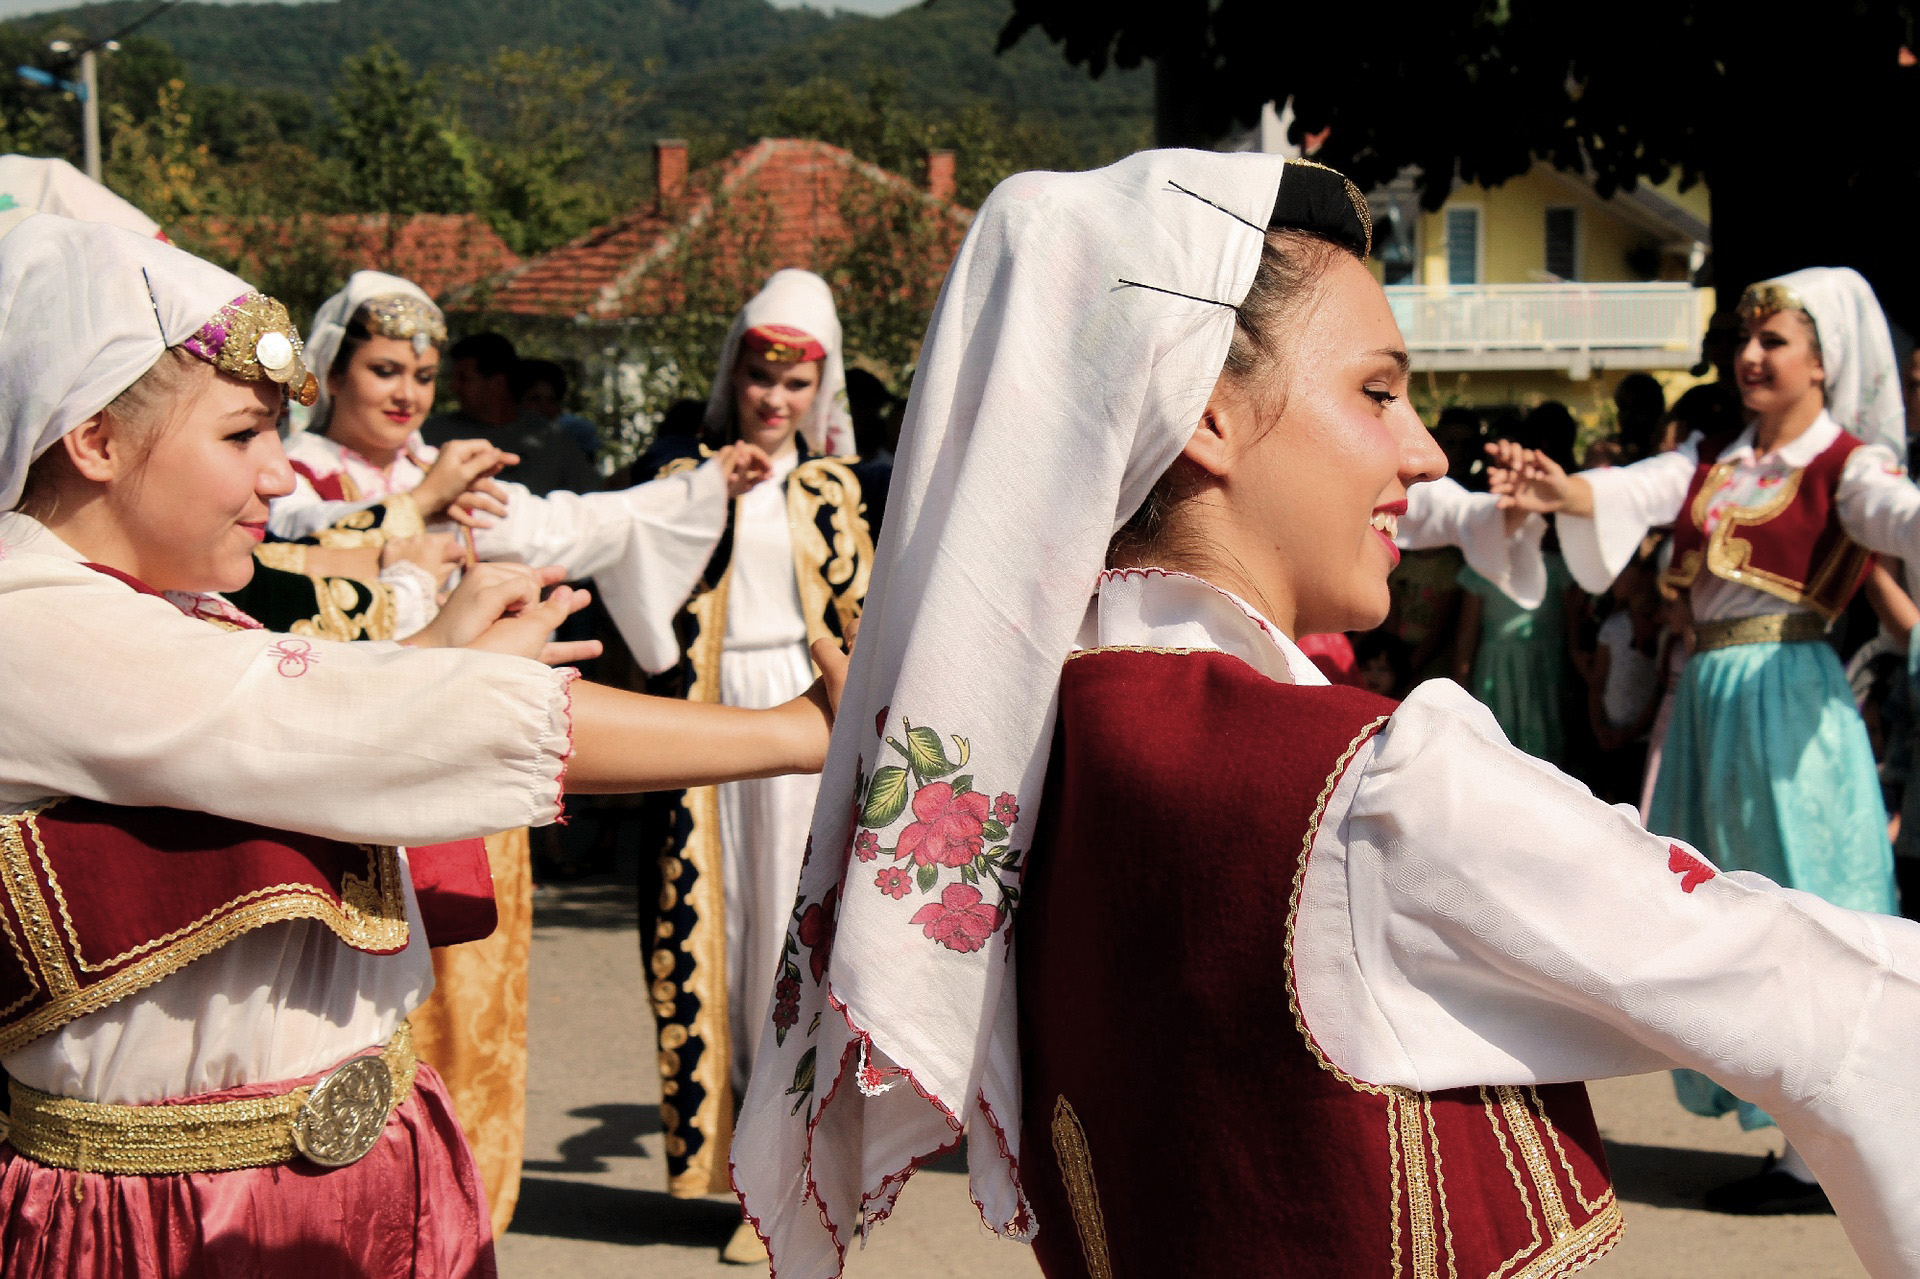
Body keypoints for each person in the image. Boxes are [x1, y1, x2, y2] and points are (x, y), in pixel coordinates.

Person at [729, 150, 1920, 1279]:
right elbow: (1829, 1014)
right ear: (1205, 408)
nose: (1421, 448)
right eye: (1378, 392)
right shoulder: (1375, 791)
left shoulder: (1024, 761)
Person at [0, 214, 846, 1278]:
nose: (275, 478)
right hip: (175, 1224)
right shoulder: (32, 629)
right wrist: (796, 731)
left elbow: (339, 702)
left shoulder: (173, 612)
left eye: (274, 436)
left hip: (355, 1184)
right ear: (95, 438)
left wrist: (439, 652)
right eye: (238, 438)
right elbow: (345, 720)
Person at [1489, 265, 1915, 1211]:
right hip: (1712, 703)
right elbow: (1634, 490)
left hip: (1789, 703)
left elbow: (1898, 517)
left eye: (1775, 342)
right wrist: (1564, 488)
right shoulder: (1712, 459)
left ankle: (1828, 1150)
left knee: (1806, 903)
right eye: (1747, 340)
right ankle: (1803, 1134)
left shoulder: (1850, 463)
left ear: (1824, 361)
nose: (1751, 356)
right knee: (1731, 910)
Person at [630, 269, 872, 1263]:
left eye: (796, 384)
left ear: (821, 393)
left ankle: (802, 1176)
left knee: (799, 945)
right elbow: (636, 605)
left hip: (804, 733)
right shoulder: (676, 471)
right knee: (720, 953)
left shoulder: (834, 489)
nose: (775, 400)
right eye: (760, 377)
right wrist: (691, 502)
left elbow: (862, 619)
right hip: (704, 731)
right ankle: (744, 1174)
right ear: (732, 373)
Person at [272, 271, 765, 677]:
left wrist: (701, 487)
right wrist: (422, 503)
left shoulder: (443, 471)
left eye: (423, 377)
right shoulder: (290, 470)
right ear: (334, 374)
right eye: (385, 371)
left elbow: (569, 524)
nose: (408, 395)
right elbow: (287, 546)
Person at [419, 332, 599, 496]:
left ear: (497, 383)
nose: (453, 387)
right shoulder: (431, 436)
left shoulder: (552, 440)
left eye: (464, 379)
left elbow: (589, 500)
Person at [517, 357, 601, 463]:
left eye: (552, 401)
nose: (544, 408)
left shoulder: (575, 432)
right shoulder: (502, 440)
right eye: (535, 399)